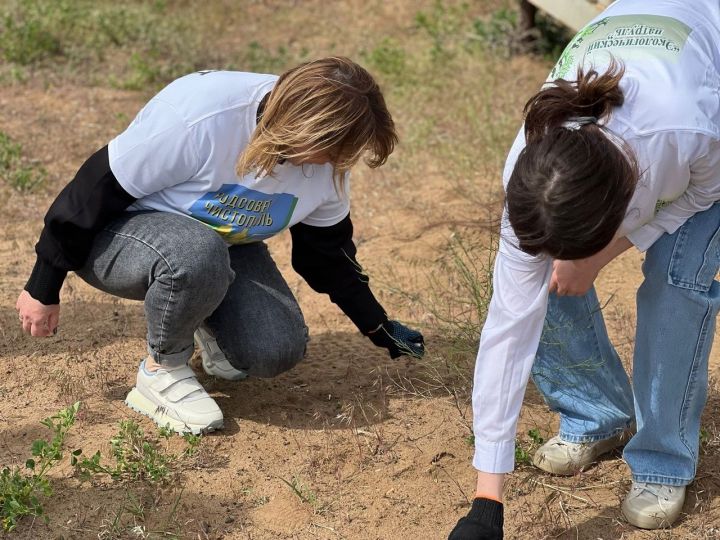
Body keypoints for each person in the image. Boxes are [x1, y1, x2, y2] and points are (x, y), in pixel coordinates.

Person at [16, 56, 425, 434]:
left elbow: (328, 255)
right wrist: (43, 284)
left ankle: (201, 311)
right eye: (332, 149)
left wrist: (376, 323)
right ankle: (163, 370)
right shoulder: (203, 116)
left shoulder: (327, 166)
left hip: (220, 245)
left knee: (276, 350)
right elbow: (92, 191)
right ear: (302, 126)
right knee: (196, 253)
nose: (338, 162)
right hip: (118, 230)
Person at [449, 1, 720, 537]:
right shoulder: (532, 174)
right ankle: (596, 415)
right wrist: (487, 502)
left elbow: (704, 191)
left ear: (624, 202)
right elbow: (508, 330)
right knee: (544, 284)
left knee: (675, 279)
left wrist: (602, 255)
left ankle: (663, 461)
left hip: (706, 135)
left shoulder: (684, 129)